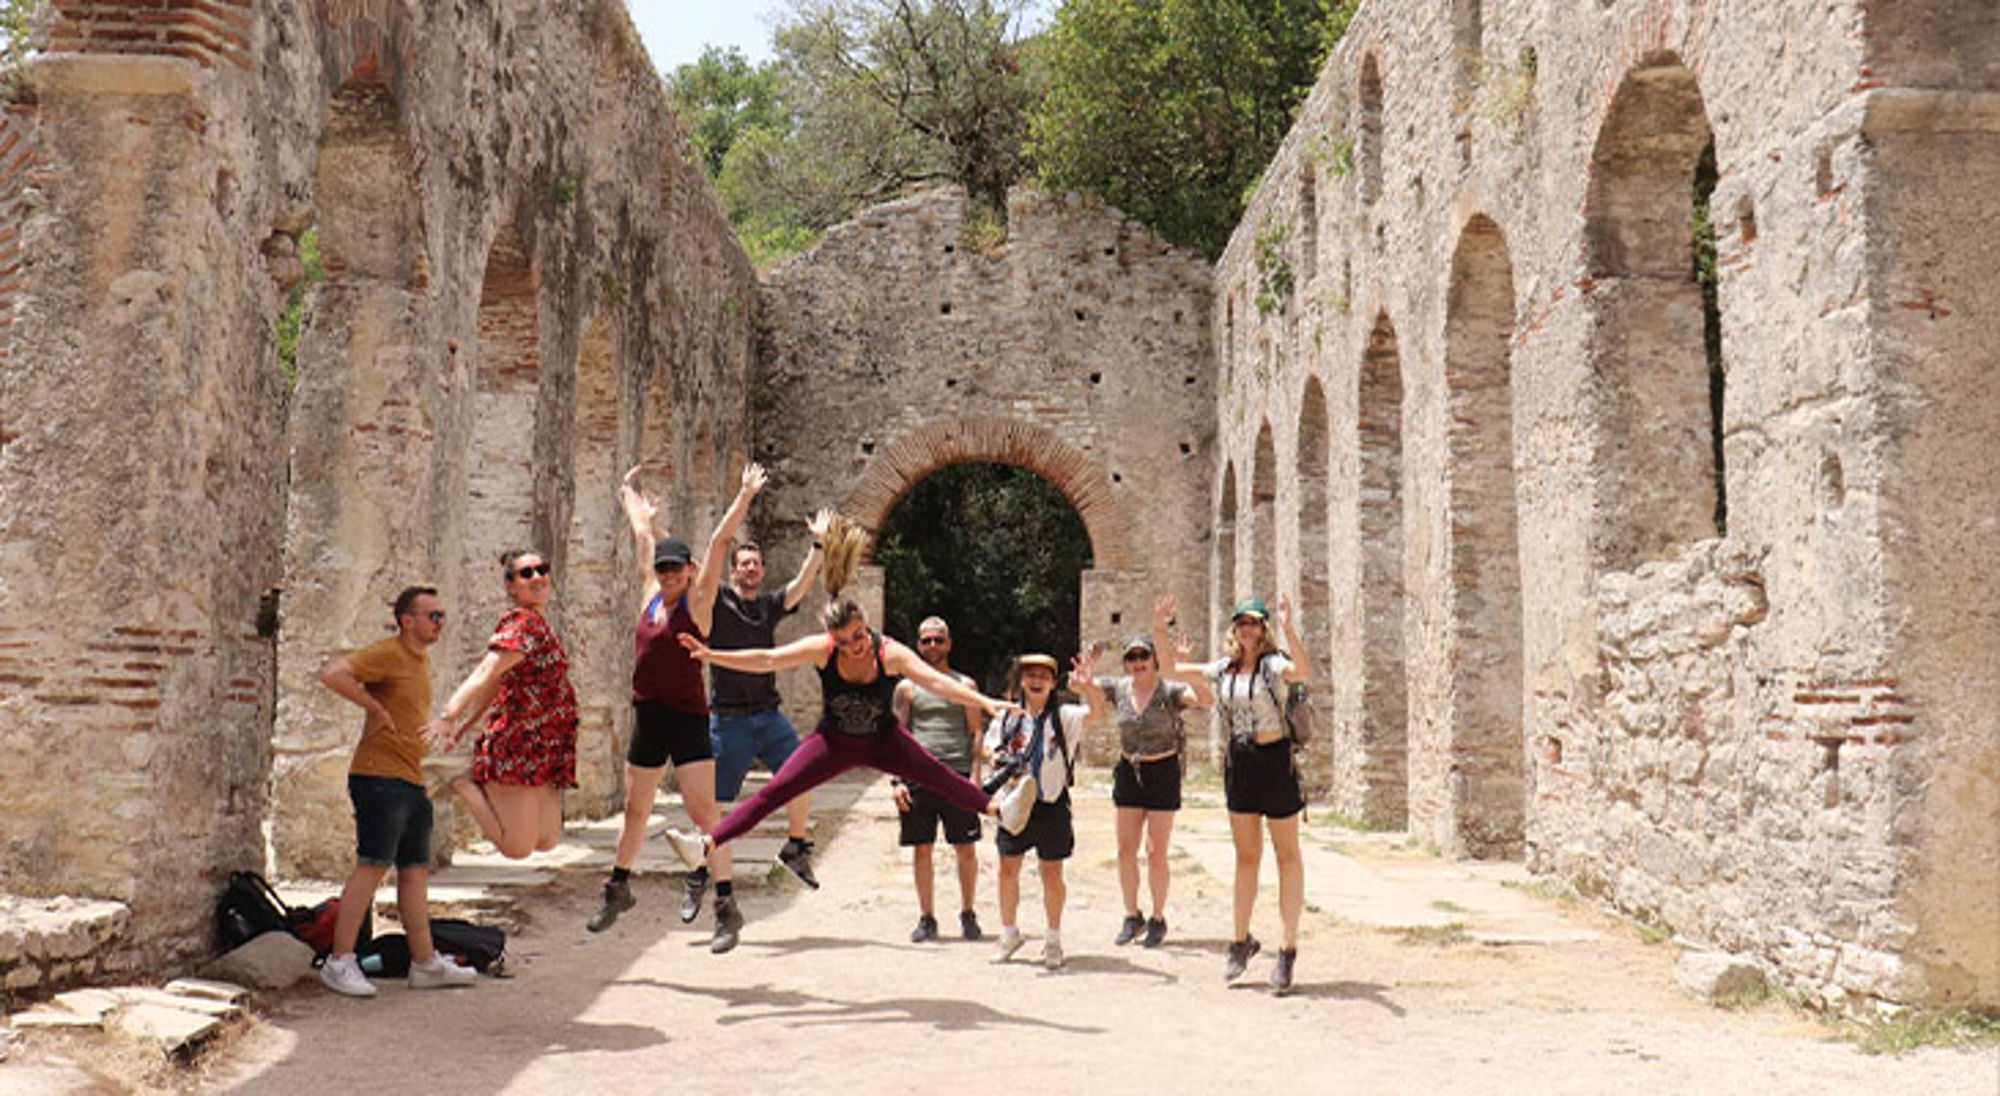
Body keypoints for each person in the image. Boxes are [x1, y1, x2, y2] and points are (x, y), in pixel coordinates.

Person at [665, 516, 1020, 927]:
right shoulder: (824, 649)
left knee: (936, 773)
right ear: (833, 639)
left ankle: (999, 810)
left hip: (883, 740)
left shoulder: (890, 652)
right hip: (832, 742)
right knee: (776, 792)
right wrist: (712, 656)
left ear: (866, 626)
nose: (854, 645)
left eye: (859, 635)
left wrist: (986, 702)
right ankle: (704, 844)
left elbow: (936, 682)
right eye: (845, 640)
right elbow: (768, 658)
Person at [587, 462, 775, 954]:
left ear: (689, 572)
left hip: (690, 718)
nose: (667, 574)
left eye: (676, 568)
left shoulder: (702, 601)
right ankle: (618, 887)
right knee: (635, 810)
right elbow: (643, 535)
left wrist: (744, 496)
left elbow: (717, 542)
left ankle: (725, 904)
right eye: (663, 568)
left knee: (706, 813)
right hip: (649, 716)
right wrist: (629, 491)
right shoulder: (651, 595)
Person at [316, 586, 477, 996]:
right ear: (408, 620)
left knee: (415, 871)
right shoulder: (389, 653)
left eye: (442, 615)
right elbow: (333, 674)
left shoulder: (418, 661)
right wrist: (373, 707)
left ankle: (424, 963)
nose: (440, 622)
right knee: (372, 866)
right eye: (432, 616)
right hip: (378, 777)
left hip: (410, 778)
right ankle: (340, 961)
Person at [1167, 594, 1311, 994]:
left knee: (1287, 855)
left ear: (1263, 628)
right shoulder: (1224, 668)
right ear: (1234, 628)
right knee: (1246, 857)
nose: (1247, 629)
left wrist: (1290, 628)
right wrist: (1165, 629)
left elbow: (1302, 669)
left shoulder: (1271, 665)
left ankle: (1287, 950)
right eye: (1241, 623)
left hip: (1275, 760)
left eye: (1254, 623)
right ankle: (1240, 940)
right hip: (1241, 764)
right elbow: (1170, 668)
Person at [698, 526, 830, 927]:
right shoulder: (718, 601)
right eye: (744, 564)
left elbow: (801, 586)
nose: (751, 569)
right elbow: (701, 566)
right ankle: (703, 872)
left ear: (762, 570)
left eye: (756, 564)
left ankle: (795, 847)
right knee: (714, 807)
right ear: (734, 571)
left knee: (802, 775)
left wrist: (819, 546)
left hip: (768, 716)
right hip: (729, 719)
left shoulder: (769, 605)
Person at [1073, 594, 1213, 951]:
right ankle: (1131, 914)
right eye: (1131, 657)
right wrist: (1086, 680)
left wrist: (1186, 668)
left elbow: (1206, 701)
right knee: (1124, 850)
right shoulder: (1118, 688)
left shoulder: (1169, 690)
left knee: (1155, 851)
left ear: (1153, 659)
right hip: (1129, 771)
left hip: (1163, 769)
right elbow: (1081, 689)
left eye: (1143, 656)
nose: (1137, 662)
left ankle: (1158, 917)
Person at [423, 550, 578, 860]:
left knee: (547, 840)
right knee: (516, 848)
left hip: (546, 746)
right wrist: (448, 716)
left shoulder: (538, 623)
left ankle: (468, 770)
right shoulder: (521, 623)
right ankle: (461, 781)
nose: (537, 577)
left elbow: (498, 685)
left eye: (541, 569)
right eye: (526, 573)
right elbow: (486, 671)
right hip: (518, 744)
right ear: (511, 586)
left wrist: (467, 727)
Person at [986, 652, 1093, 970]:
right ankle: (1009, 933)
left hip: (1051, 804)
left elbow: (1098, 713)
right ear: (1021, 680)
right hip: (1015, 803)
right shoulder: (1008, 716)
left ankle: (1053, 939)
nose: (1036, 681)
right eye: (1030, 675)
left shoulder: (1065, 716)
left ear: (1052, 683)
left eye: (1043, 676)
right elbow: (986, 745)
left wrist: (1090, 686)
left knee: (1052, 874)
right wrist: (994, 759)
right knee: (1007, 869)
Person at [889, 616, 987, 943]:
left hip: (956, 772)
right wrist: (897, 781)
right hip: (918, 775)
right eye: (926, 640)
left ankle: (968, 912)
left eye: (938, 640)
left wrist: (975, 779)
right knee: (921, 849)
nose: (932, 646)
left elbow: (976, 733)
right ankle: (927, 917)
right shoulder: (906, 687)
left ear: (949, 644)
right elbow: (896, 737)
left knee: (966, 849)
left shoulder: (965, 686)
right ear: (918, 645)